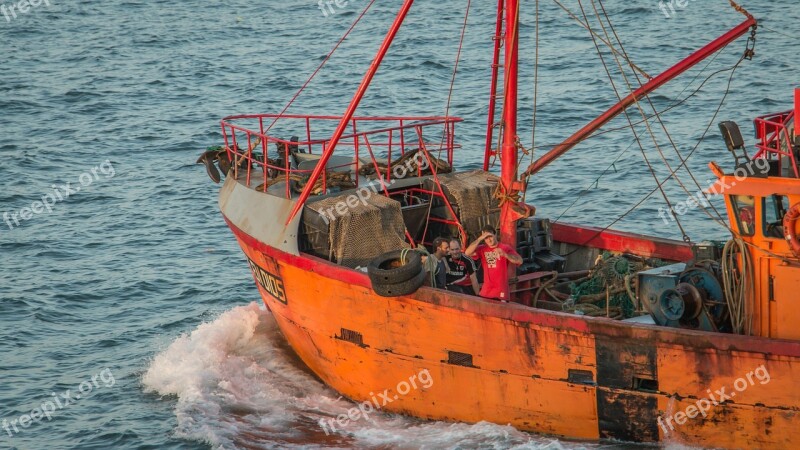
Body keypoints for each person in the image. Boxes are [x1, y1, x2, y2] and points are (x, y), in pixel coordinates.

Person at [464, 226, 522, 301]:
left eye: (490, 236)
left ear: (495, 234)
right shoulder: (482, 249)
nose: (489, 240)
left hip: (500, 292)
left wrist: (505, 255)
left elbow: (520, 261)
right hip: (486, 292)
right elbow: (467, 253)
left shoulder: (505, 248)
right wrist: (479, 238)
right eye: (486, 238)